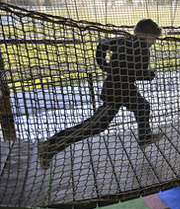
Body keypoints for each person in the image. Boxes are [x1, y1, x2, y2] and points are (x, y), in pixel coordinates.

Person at [38, 19, 164, 169]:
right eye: (153, 38)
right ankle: (49, 147)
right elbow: (139, 73)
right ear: (145, 35)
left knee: (143, 107)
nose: (154, 42)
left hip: (124, 89)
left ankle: (145, 137)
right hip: (115, 93)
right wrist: (149, 75)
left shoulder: (123, 40)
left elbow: (102, 45)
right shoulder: (143, 49)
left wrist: (104, 66)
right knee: (95, 126)